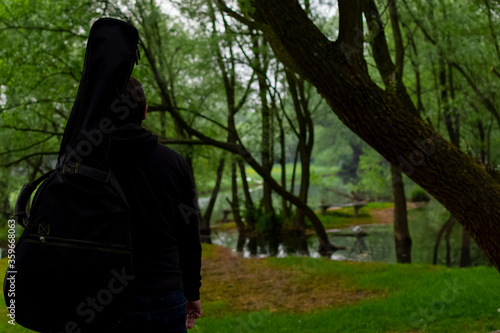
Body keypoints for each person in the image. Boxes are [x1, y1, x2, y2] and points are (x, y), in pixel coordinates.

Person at [109, 76, 202, 332]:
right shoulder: (175, 163)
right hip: (168, 293)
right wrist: (192, 292)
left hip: (108, 299)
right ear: (145, 111)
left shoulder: (91, 164)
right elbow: (189, 235)